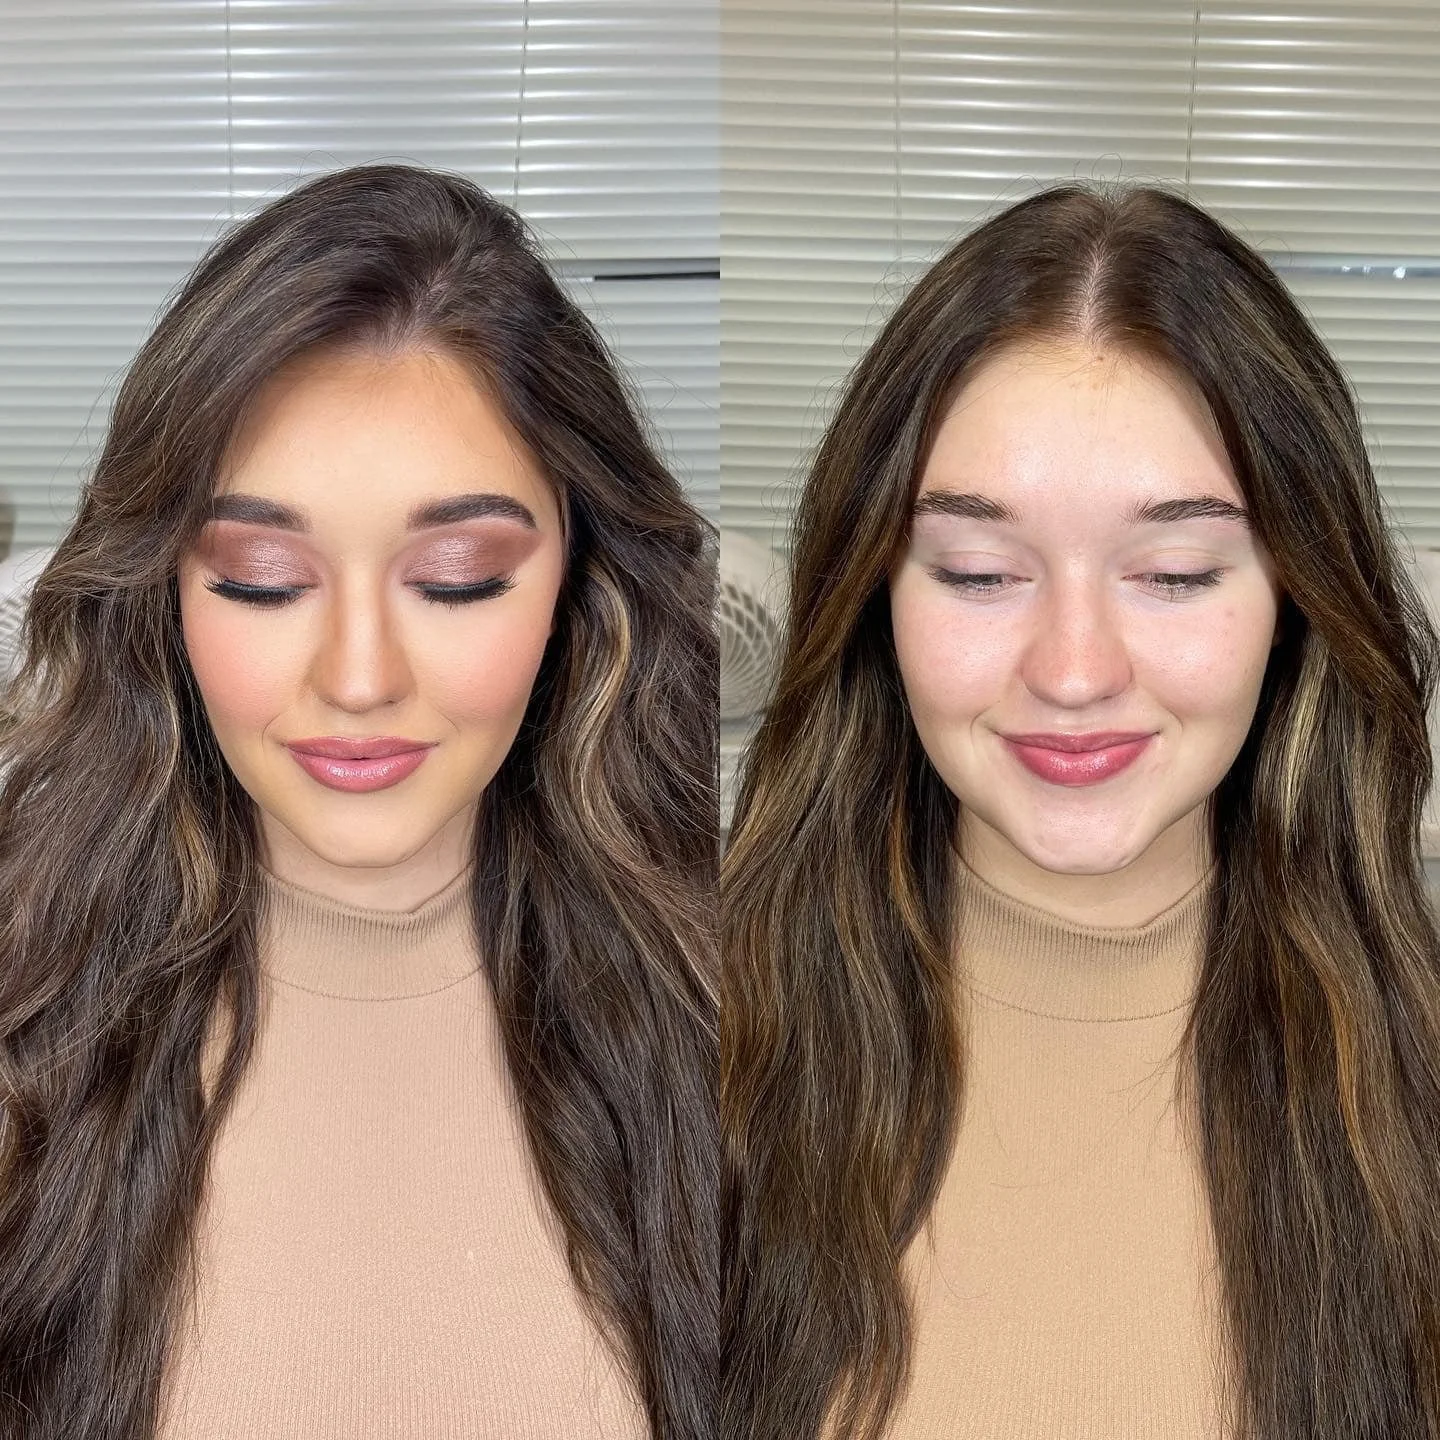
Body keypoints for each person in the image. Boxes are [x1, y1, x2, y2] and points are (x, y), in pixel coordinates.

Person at [0, 163, 717, 1440]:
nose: (360, 679)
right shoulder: (26, 1003)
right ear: (164, 592)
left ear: (580, 579)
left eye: (456, 578)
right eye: (264, 580)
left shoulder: (738, 985)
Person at [721, 181, 1440, 1440]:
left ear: (1296, 600)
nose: (1071, 670)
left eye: (1172, 574)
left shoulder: (1411, 1083)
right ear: (875, 597)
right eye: (981, 573)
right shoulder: (691, 1034)